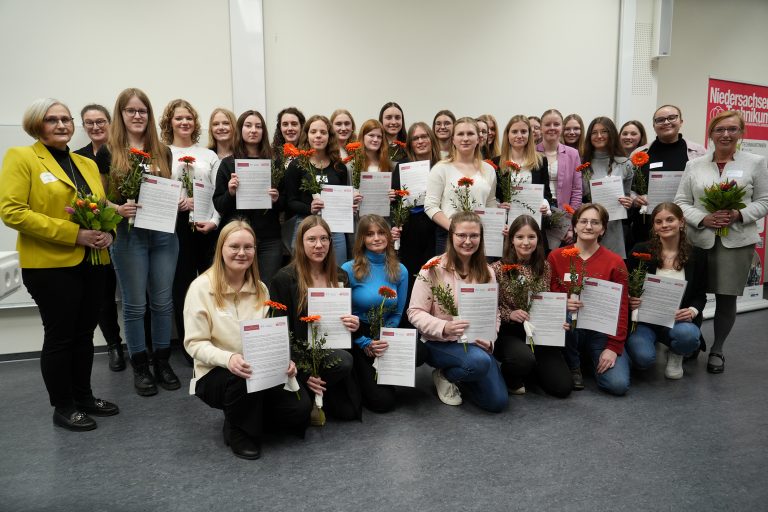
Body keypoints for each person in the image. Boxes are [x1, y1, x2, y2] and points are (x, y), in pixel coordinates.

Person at [0, 98, 119, 431]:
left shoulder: (86, 163)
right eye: (53, 120)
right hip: (50, 266)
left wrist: (107, 231)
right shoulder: (22, 157)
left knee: (84, 335)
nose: (62, 125)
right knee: (61, 337)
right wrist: (74, 234)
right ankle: (63, 406)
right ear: (38, 125)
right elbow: (12, 211)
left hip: (94, 260)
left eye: (66, 119)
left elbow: (100, 205)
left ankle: (84, 397)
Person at [184, 220, 311, 460]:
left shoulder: (261, 289)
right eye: (234, 246)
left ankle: (245, 414)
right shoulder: (200, 288)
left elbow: (268, 334)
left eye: (248, 247)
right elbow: (194, 343)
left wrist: (285, 361)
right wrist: (229, 358)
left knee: (300, 410)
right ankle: (238, 430)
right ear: (221, 248)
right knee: (241, 379)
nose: (242, 253)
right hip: (217, 372)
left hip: (257, 369)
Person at [96, 87, 180, 397]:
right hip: (129, 237)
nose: (136, 115)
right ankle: (141, 366)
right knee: (134, 306)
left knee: (162, 303)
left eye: (142, 110)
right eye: (130, 110)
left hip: (163, 235)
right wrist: (118, 209)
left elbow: (168, 188)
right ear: (120, 115)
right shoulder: (108, 151)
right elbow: (98, 199)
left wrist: (180, 199)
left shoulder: (163, 151)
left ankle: (162, 362)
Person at [674, 110, 768, 374]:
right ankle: (691, 342)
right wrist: (703, 219)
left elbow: (764, 201)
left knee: (726, 298)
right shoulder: (695, 165)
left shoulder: (755, 162)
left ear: (741, 133)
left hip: (736, 242)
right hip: (697, 240)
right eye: (720, 130)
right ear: (711, 133)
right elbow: (681, 201)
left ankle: (718, 349)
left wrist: (739, 214)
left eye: (732, 129)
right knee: (692, 294)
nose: (725, 135)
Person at [408, 211, 507, 412]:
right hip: (439, 342)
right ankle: (444, 375)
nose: (468, 241)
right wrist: (444, 326)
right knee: (479, 363)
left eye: (474, 236)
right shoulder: (432, 268)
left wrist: (491, 339)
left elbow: (493, 312)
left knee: (497, 403)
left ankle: (462, 374)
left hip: (475, 344)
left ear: (481, 237)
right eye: (462, 235)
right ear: (451, 235)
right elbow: (415, 312)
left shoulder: (487, 272)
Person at [269, 216, 361, 420]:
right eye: (311, 239)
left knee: (347, 412)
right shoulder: (284, 279)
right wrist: (303, 372)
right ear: (300, 243)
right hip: (298, 356)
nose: (319, 245)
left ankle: (320, 388)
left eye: (324, 239)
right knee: (344, 363)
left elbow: (346, 322)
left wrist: (354, 324)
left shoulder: (340, 277)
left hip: (332, 350)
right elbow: (279, 334)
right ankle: (307, 384)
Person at [341, 215, 428, 412]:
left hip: (385, 332)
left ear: (389, 237)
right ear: (361, 238)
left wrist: (384, 337)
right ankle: (360, 373)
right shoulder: (348, 269)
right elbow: (342, 317)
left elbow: (398, 313)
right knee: (383, 403)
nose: (376, 238)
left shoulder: (401, 270)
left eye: (381, 233)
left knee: (422, 351)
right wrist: (364, 343)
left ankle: (381, 372)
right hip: (357, 334)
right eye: (369, 234)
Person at [547, 203, 630, 395]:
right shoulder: (556, 257)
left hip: (600, 333)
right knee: (567, 315)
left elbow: (622, 308)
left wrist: (613, 347)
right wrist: (562, 303)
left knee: (617, 385)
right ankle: (574, 365)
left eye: (595, 222)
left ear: (603, 229)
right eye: (583, 221)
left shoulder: (615, 262)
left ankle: (602, 357)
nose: (588, 226)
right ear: (574, 226)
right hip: (569, 331)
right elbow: (548, 296)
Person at [160, 99, 220, 355]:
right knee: (182, 286)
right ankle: (190, 344)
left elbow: (219, 194)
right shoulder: (162, 152)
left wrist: (215, 222)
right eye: (178, 118)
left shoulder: (209, 155)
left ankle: (214, 340)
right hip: (176, 227)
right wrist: (176, 202)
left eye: (188, 118)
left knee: (211, 284)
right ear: (169, 123)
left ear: (194, 123)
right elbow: (157, 189)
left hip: (206, 226)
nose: (184, 122)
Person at [491, 215, 572, 397]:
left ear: (538, 239)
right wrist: (509, 314)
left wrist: (559, 321)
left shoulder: (545, 267)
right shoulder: (496, 269)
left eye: (531, 237)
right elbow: (488, 308)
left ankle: (533, 367)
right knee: (522, 360)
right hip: (509, 331)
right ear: (511, 239)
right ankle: (510, 377)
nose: (526, 243)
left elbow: (548, 302)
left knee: (562, 387)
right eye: (520, 237)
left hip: (538, 332)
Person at [624, 203, 707, 379]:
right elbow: (625, 285)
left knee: (689, 336)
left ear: (682, 222)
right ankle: (650, 346)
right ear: (654, 226)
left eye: (670, 220)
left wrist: (692, 311)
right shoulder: (640, 251)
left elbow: (700, 295)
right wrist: (630, 298)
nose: (664, 225)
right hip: (645, 321)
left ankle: (676, 354)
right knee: (643, 359)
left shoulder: (697, 255)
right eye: (659, 221)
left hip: (678, 321)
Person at [75, 104, 125, 372]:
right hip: (95, 236)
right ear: (83, 126)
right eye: (89, 122)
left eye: (101, 121)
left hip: (125, 231)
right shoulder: (76, 158)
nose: (96, 127)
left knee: (132, 296)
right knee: (103, 296)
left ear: (110, 122)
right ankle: (114, 346)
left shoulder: (123, 152)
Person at [212, 110, 282, 287]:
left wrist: (276, 199)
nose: (253, 130)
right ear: (240, 130)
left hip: (269, 239)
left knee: (267, 289)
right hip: (237, 240)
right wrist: (230, 193)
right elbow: (219, 204)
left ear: (264, 131)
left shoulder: (275, 163)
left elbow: (287, 203)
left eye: (258, 126)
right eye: (248, 126)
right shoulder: (228, 163)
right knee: (237, 287)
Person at [629, 105, 707, 245]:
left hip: (685, 225)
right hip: (647, 225)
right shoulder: (639, 154)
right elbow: (628, 188)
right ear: (653, 125)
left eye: (672, 118)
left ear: (681, 121)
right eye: (660, 120)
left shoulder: (699, 152)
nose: (666, 122)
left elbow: (705, 186)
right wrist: (635, 199)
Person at [425, 117, 498, 254]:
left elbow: (490, 202)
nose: (465, 138)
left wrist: (497, 223)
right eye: (460, 134)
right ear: (453, 139)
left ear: (478, 138)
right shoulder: (441, 168)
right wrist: (455, 229)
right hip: (448, 235)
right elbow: (430, 205)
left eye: (470, 134)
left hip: (479, 238)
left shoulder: (489, 170)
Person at [283, 114, 351, 258]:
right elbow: (290, 201)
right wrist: (310, 208)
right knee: (304, 275)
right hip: (305, 224)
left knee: (338, 274)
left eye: (323, 132)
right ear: (306, 135)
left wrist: (350, 203)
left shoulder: (339, 167)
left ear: (330, 136)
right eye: (313, 132)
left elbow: (343, 198)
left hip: (335, 227)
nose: (318, 136)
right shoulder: (297, 165)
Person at [391, 122, 440, 290]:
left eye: (424, 136)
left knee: (434, 274)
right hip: (410, 228)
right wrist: (392, 195)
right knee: (412, 275)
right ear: (410, 143)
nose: (420, 141)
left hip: (436, 226)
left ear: (431, 139)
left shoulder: (441, 165)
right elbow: (396, 202)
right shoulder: (402, 166)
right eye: (415, 138)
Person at [580, 116, 634, 258]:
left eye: (604, 131)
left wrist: (629, 202)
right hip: (587, 228)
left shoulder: (625, 164)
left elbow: (629, 194)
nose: (599, 136)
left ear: (612, 134)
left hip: (614, 229)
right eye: (594, 132)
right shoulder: (582, 164)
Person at [493, 115, 552, 219]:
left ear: (529, 135)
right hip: (506, 223)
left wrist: (545, 205)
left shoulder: (541, 160)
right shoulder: (496, 162)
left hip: (533, 221)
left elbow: (546, 193)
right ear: (507, 134)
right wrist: (499, 206)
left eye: (524, 131)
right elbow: (494, 196)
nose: (519, 135)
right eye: (514, 131)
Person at [536, 109, 582, 214]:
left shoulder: (573, 154)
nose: (552, 128)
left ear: (562, 127)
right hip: (538, 209)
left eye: (556, 124)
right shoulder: (531, 153)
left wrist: (570, 219)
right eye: (547, 124)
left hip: (564, 211)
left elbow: (577, 191)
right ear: (541, 128)